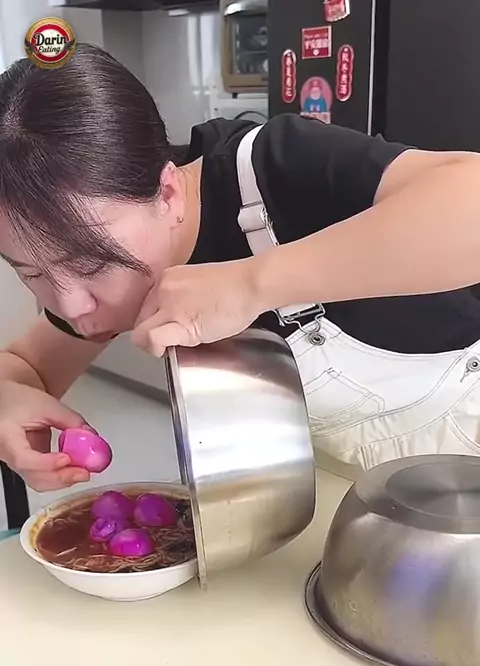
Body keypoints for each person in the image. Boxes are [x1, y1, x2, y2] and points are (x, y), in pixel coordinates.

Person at [2, 44, 480, 491]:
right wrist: (7, 400)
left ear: (167, 193)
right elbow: (26, 365)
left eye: (92, 263)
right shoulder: (80, 284)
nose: (71, 307)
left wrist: (250, 284)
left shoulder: (275, 166)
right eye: (31, 272)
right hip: (356, 492)